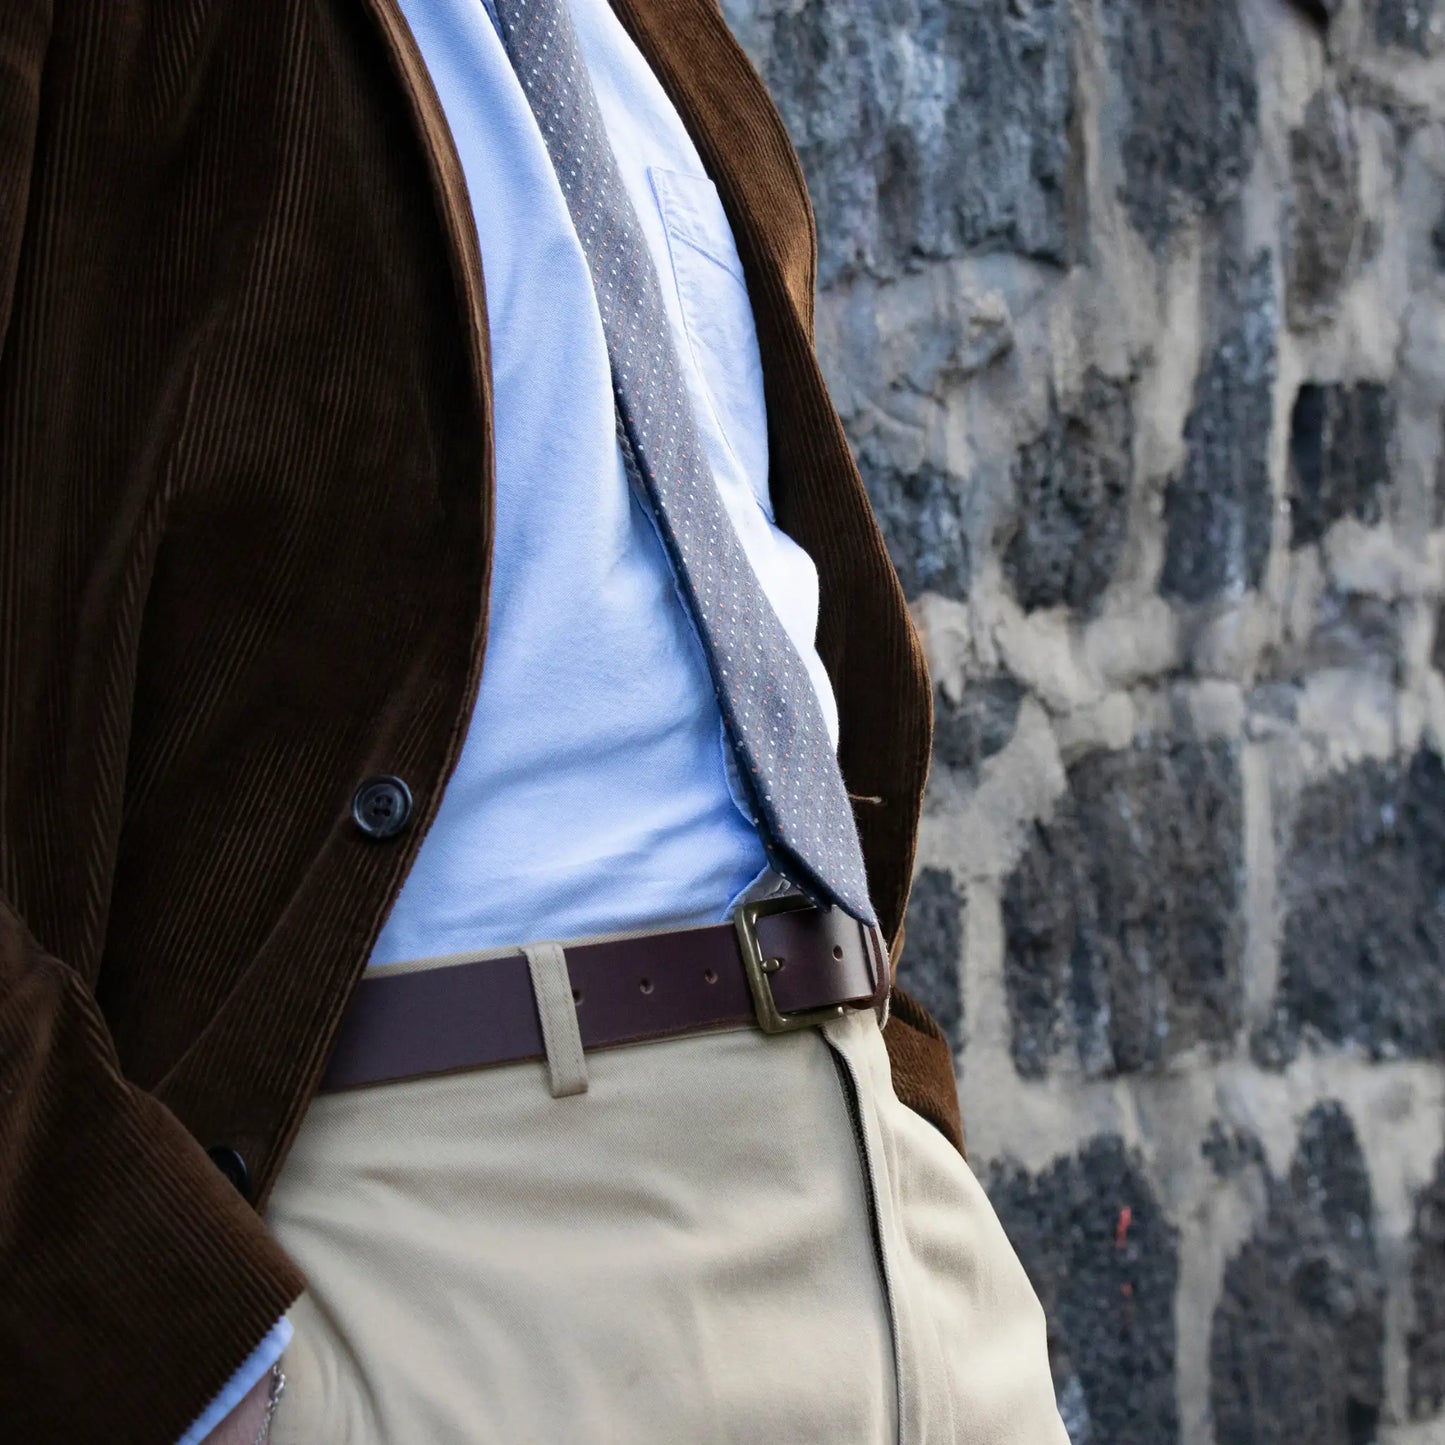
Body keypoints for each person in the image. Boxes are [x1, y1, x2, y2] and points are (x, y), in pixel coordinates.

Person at [0, 0, 1067, 1439]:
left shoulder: (654, 48)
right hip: (441, 1272)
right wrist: (169, 1348)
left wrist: (910, 1123)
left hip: (898, 1247)